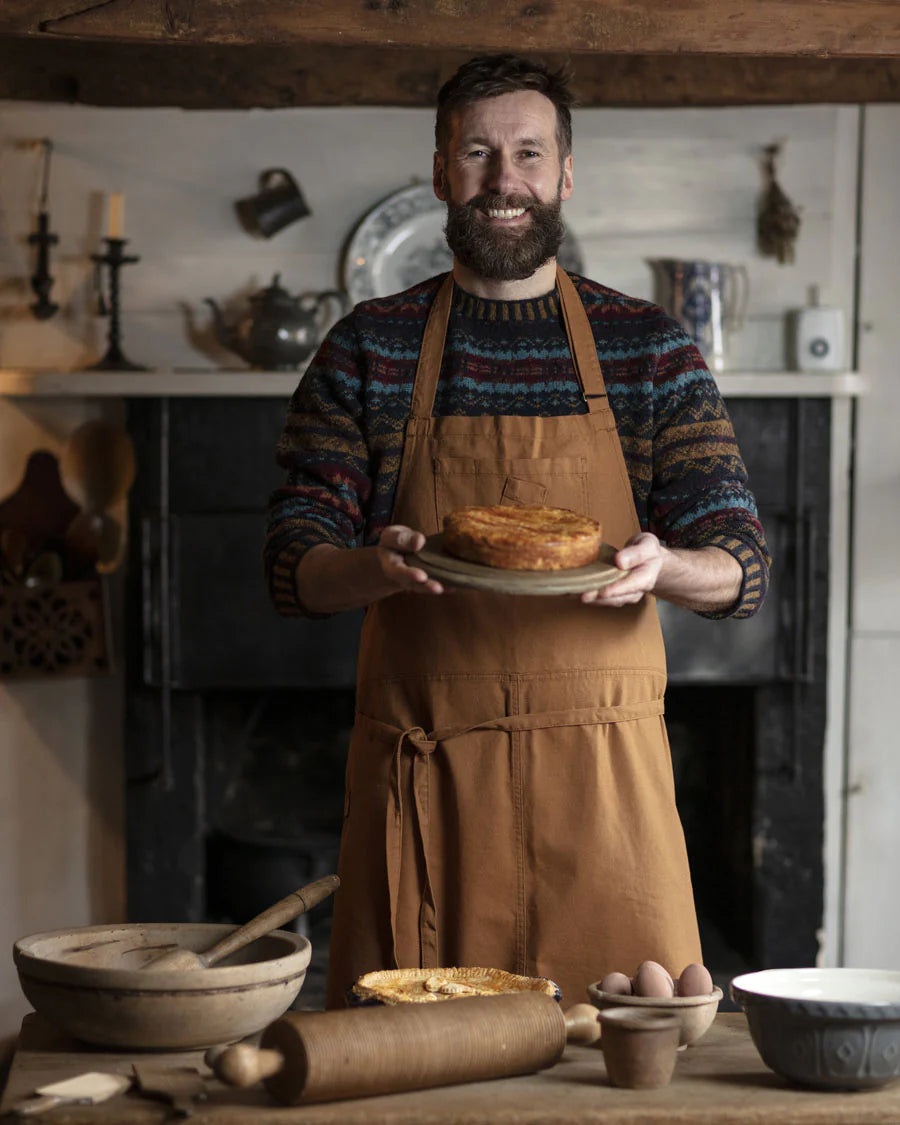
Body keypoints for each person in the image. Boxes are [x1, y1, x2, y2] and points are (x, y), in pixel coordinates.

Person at [265, 53, 771, 1008]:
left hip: (606, 799)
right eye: (478, 153)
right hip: (428, 792)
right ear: (440, 170)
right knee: (417, 1082)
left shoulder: (648, 347)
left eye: (529, 155)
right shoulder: (370, 346)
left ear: (565, 175)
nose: (505, 181)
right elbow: (293, 565)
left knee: (623, 1071)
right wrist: (372, 565)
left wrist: (666, 565)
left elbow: (740, 566)